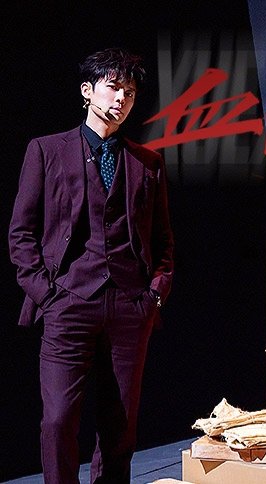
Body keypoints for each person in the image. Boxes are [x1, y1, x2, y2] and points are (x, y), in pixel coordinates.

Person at [8, 48, 174, 483]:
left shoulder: (148, 162)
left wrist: (153, 295)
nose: (122, 98)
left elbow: (163, 242)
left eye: (130, 92)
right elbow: (21, 234)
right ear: (87, 91)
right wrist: (47, 295)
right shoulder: (46, 150)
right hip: (67, 303)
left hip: (129, 307)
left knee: (120, 426)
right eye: (113, 87)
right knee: (58, 420)